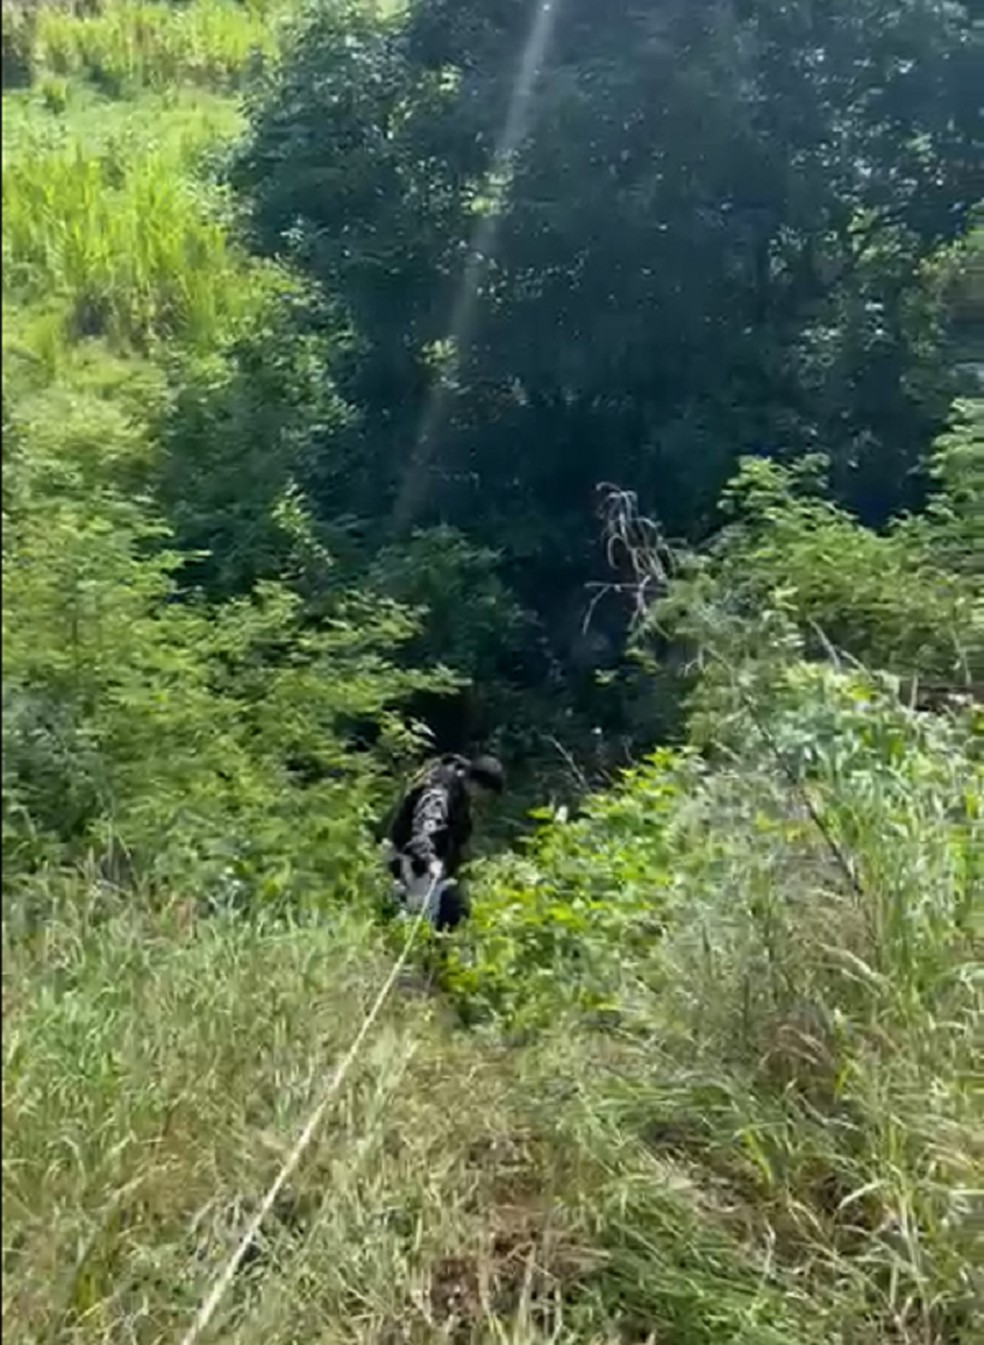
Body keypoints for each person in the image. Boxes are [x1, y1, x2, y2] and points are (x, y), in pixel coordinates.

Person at [382, 753, 505, 931]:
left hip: (434, 869)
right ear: (476, 784)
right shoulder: (438, 794)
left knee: (456, 909)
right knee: (422, 920)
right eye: (486, 794)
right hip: (408, 863)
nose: (484, 800)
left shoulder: (460, 791)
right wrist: (431, 861)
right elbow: (421, 835)